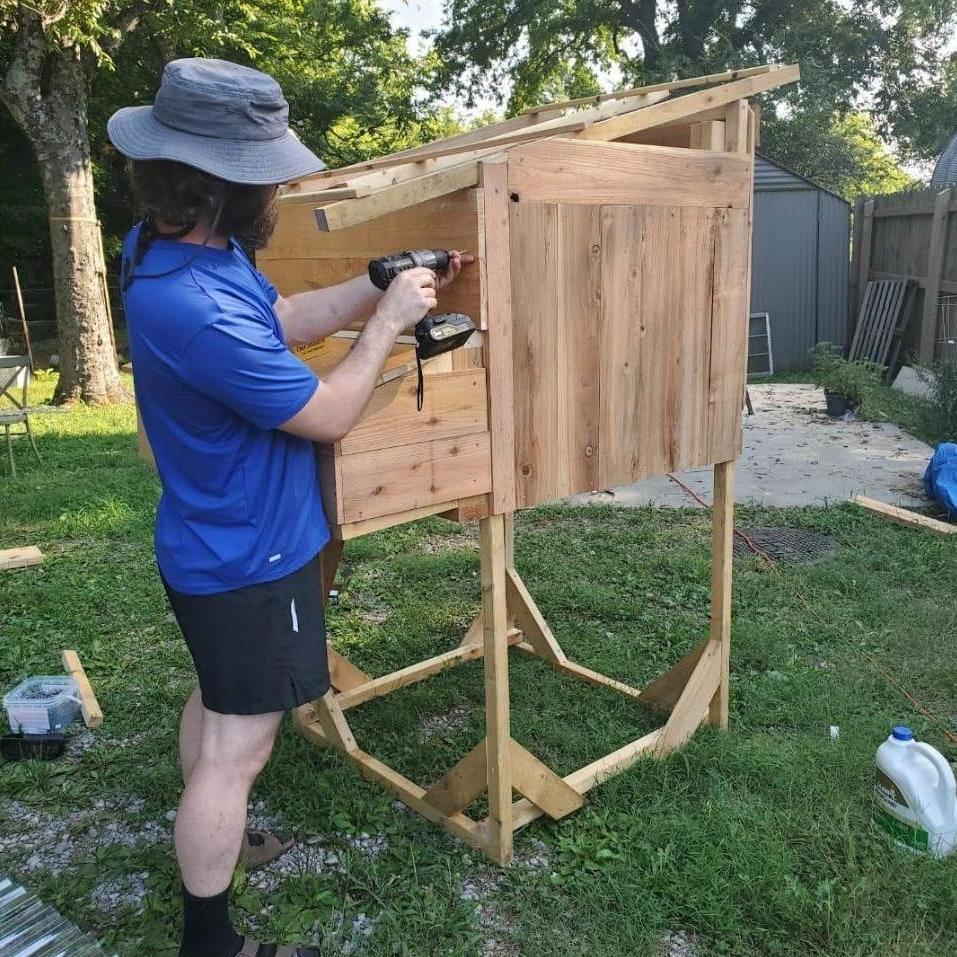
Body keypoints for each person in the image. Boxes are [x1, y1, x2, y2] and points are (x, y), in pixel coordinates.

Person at [107, 58, 471, 957]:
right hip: (250, 554)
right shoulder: (191, 305)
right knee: (240, 747)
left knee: (218, 699)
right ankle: (212, 939)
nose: (278, 189)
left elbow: (283, 317)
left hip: (207, 539)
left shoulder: (171, 246)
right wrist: (386, 325)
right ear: (225, 187)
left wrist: (373, 281)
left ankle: (216, 847)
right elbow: (328, 414)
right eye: (266, 176)